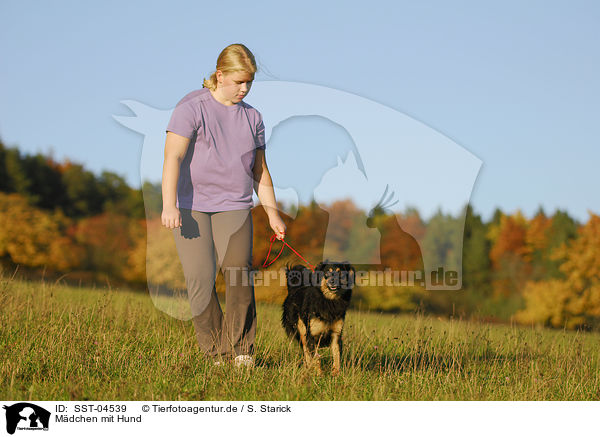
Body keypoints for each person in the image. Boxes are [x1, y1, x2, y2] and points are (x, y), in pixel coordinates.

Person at [161, 44, 286, 368]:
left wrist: (272, 213)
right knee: (200, 279)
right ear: (220, 76)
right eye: (239, 82)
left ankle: (242, 352)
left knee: (238, 273)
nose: (244, 89)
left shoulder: (253, 118)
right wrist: (169, 205)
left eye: (249, 83)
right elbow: (172, 157)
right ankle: (217, 354)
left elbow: (260, 170)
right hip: (192, 206)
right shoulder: (191, 107)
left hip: (235, 205)